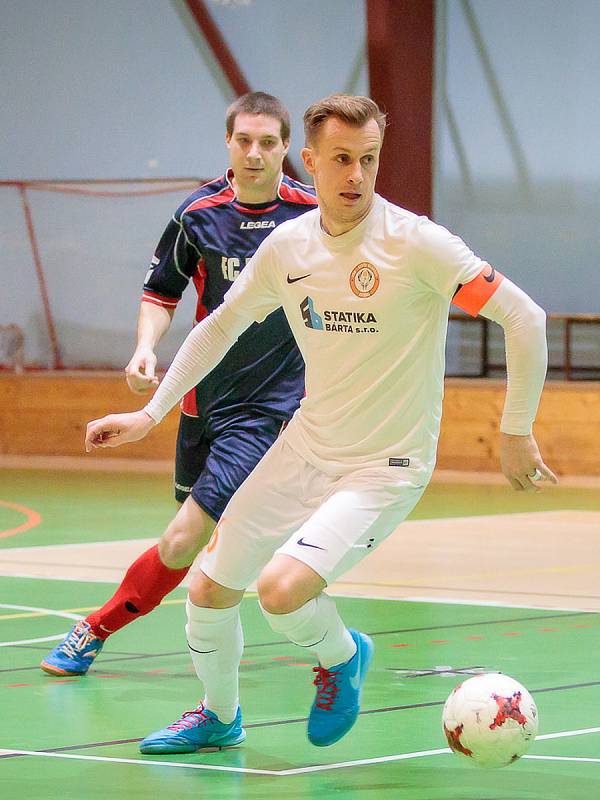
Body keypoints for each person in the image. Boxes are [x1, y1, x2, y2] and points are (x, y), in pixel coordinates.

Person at [83, 94, 557, 753]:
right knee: (209, 589)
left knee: (280, 591)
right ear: (310, 161)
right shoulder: (288, 248)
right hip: (306, 445)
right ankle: (220, 717)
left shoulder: (416, 243)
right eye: (340, 159)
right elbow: (220, 326)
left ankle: (342, 657)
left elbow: (524, 318)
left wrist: (515, 429)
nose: (356, 175)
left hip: (384, 467)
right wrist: (150, 412)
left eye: (367, 159)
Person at [40, 92, 316, 677]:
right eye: (244, 140)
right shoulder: (198, 214)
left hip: (269, 411)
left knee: (181, 540)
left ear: (286, 147)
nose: (255, 152)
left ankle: (94, 631)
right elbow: (161, 293)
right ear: (228, 143)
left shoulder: (311, 219)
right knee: (195, 543)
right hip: (199, 403)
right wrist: (145, 348)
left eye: (268, 142)